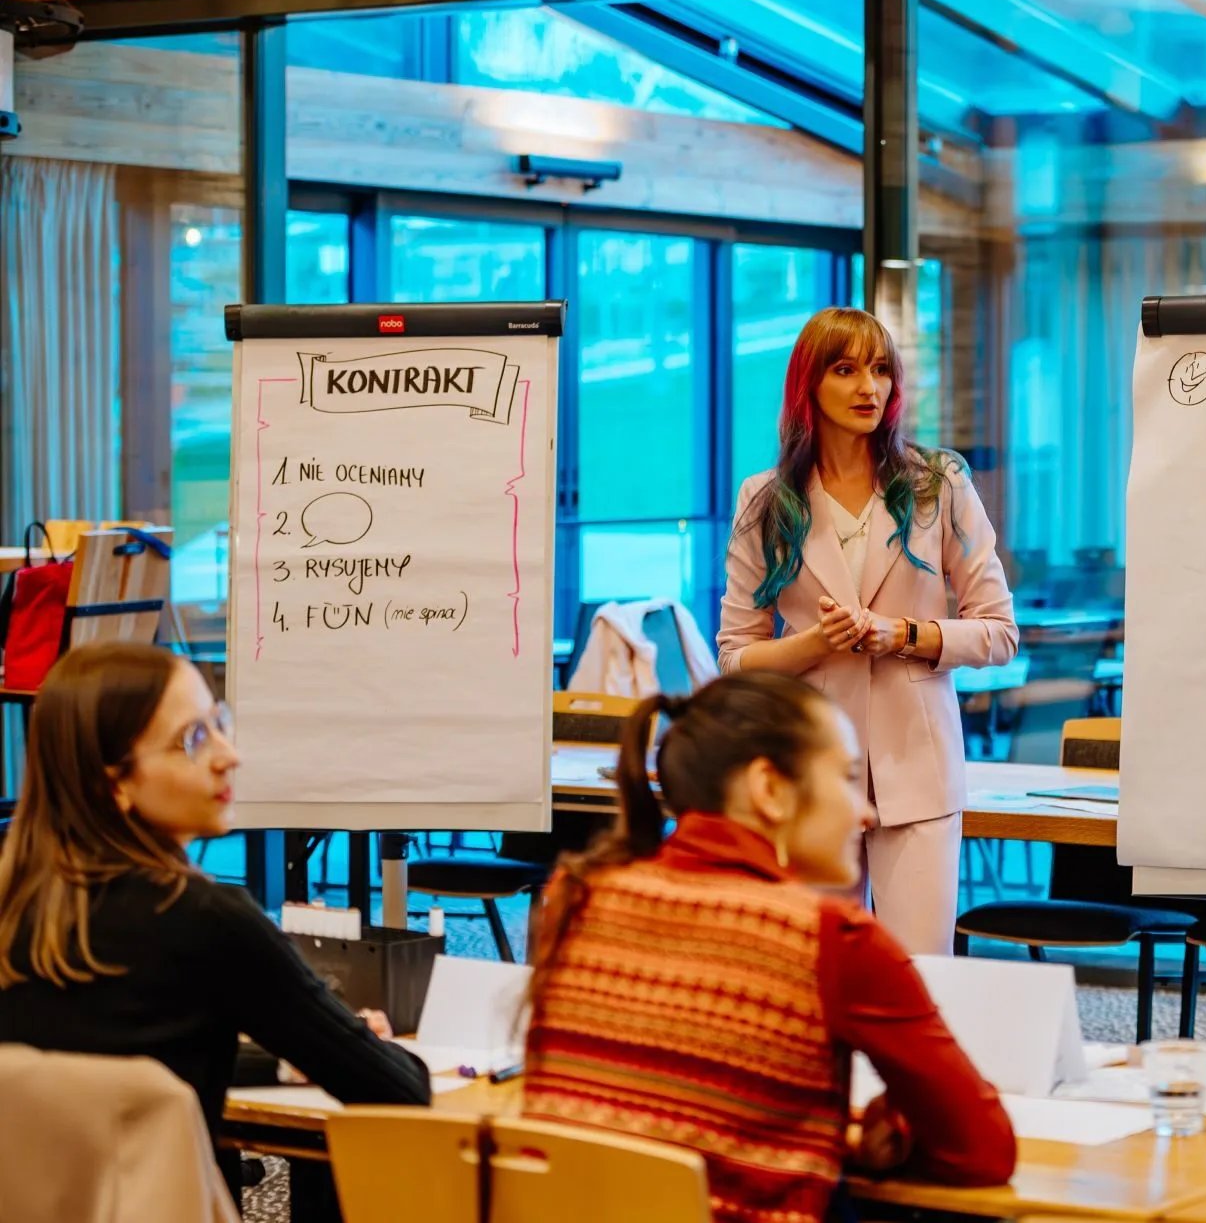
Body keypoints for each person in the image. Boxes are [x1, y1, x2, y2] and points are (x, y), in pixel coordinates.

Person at [523, 671, 1016, 1223]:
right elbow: (983, 1151)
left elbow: (653, 1117)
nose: (865, 812)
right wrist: (897, 1126)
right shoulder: (831, 938)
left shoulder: (577, 895)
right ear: (770, 789)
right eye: (846, 778)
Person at [0, 643, 430, 1198]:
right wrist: (366, 1047)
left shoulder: (16, 906)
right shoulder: (203, 919)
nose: (230, 755)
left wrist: (281, 1063)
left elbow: (130, 1058)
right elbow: (398, 1092)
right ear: (115, 783)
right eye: (193, 740)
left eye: (219, 724)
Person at [717, 307, 1018, 955]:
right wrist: (816, 643)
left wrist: (902, 634)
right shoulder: (764, 500)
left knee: (917, 974)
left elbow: (998, 632)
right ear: (809, 384)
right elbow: (736, 659)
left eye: (881, 370)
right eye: (846, 370)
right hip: (810, 774)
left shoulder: (939, 485)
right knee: (814, 973)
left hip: (919, 772)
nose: (868, 388)